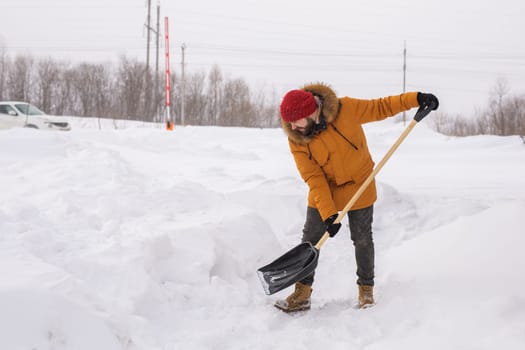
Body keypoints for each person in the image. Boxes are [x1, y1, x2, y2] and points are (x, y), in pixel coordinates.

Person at [274, 83, 438, 313]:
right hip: (326, 191)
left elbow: (381, 107)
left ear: (311, 112)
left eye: (296, 121)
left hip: (359, 185)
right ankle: (302, 292)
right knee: (310, 240)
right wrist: (329, 213)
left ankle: (366, 289)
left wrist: (416, 98)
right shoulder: (297, 138)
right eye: (289, 123)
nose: (292, 127)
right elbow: (313, 177)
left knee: (362, 238)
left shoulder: (346, 109)